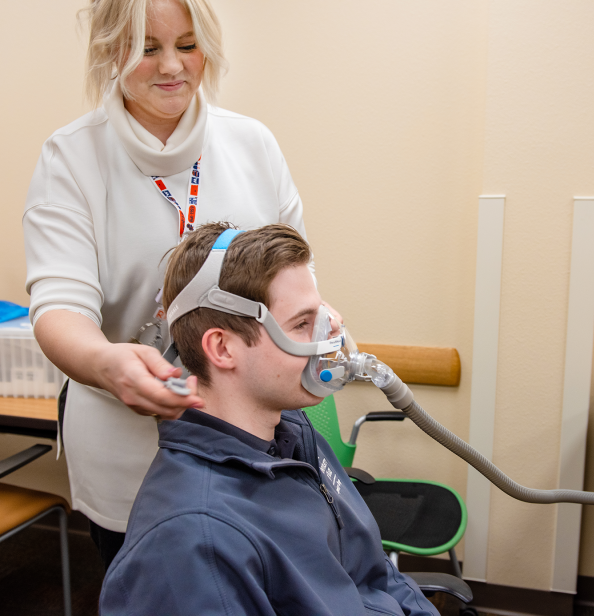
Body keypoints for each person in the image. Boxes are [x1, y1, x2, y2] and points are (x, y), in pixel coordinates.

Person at [22, 0, 336, 567]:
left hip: (252, 440)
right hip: (130, 453)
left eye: (187, 46)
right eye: (147, 48)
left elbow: (298, 278)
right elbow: (59, 307)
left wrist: (314, 330)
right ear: (110, 51)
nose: (172, 66)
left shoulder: (251, 144)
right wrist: (105, 363)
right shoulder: (72, 157)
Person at [98, 222, 439, 616]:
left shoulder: (293, 433)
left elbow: (372, 572)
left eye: (321, 317)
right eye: (302, 324)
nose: (328, 339)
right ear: (222, 348)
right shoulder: (195, 539)